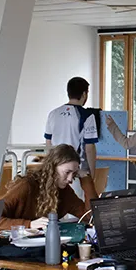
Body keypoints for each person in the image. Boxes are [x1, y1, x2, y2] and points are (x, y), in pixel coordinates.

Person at [0, 145, 95, 270]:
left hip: (41, 254)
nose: (69, 179)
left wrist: (87, 181)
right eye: (67, 172)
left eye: (73, 174)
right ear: (52, 167)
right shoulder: (26, 186)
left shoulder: (64, 191)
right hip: (12, 255)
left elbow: (90, 216)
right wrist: (29, 224)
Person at [45, 77, 99, 206]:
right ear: (85, 94)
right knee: (75, 208)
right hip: (75, 170)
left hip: (56, 169)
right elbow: (89, 147)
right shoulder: (87, 116)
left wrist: (50, 167)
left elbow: (48, 143)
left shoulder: (53, 114)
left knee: (56, 207)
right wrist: (91, 174)